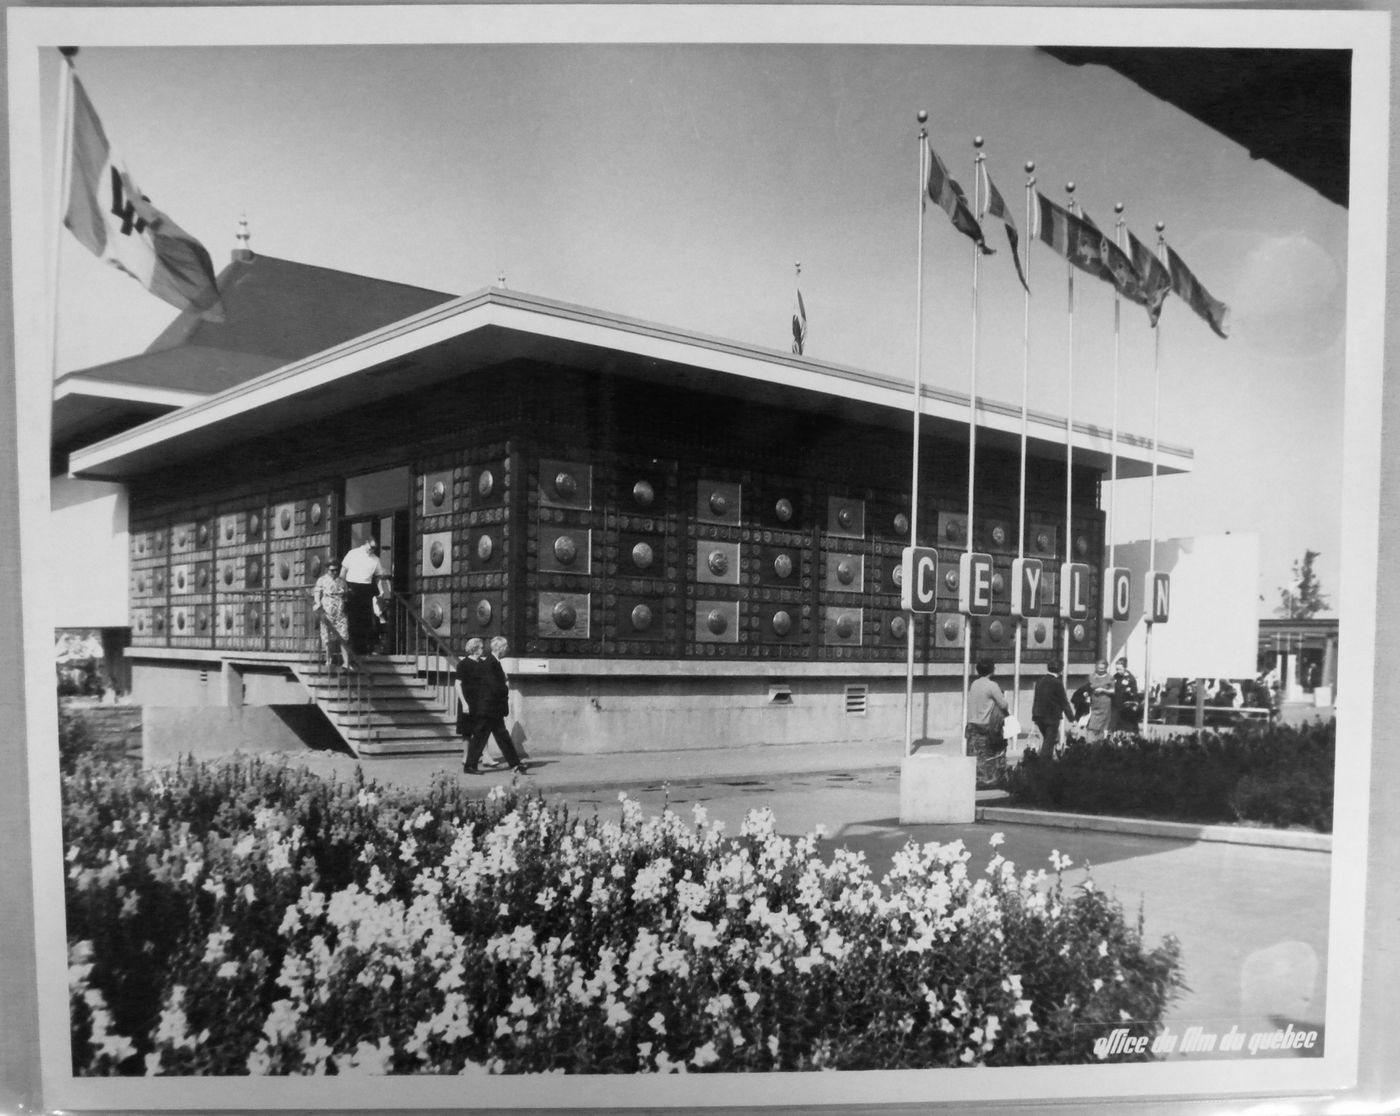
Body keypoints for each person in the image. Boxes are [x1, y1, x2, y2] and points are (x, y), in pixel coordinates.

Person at [462, 636, 527, 775]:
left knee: (501, 737)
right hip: (489, 708)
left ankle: (515, 764)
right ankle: (469, 766)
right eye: (505, 646)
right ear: (500, 648)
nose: (507, 649)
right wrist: (506, 686)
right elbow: (495, 687)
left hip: (492, 709)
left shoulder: (492, 662)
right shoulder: (491, 663)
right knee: (481, 737)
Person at [966, 659, 1010, 788]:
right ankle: (990, 780)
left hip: (973, 723)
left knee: (976, 754)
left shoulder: (974, 684)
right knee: (991, 753)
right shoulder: (992, 685)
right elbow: (1003, 704)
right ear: (991, 670)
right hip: (986, 725)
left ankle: (977, 779)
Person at [310, 561, 355, 671]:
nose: (334, 572)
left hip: (340, 612)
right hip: (328, 610)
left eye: (336, 570)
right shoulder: (322, 580)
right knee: (327, 637)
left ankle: (346, 663)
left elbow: (345, 595)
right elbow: (317, 593)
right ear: (327, 570)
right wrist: (318, 603)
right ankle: (329, 660)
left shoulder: (341, 581)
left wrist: (345, 600)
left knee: (344, 636)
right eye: (332, 570)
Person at [340, 538, 381, 656]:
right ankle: (353, 648)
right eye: (371, 547)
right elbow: (343, 572)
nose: (372, 550)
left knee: (365, 620)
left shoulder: (375, 560)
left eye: (374, 548)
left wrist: (381, 591)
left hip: (366, 589)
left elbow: (379, 577)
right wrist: (344, 588)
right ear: (366, 542)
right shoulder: (353, 553)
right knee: (353, 619)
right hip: (352, 587)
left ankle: (363, 648)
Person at [1031, 658, 1075, 754]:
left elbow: (1036, 699)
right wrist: (1072, 718)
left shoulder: (1040, 681)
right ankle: (1045, 763)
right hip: (1052, 717)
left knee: (1047, 739)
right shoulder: (1057, 683)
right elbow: (1064, 702)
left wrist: (1034, 716)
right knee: (1049, 742)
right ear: (1060, 670)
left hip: (1039, 716)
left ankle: (1047, 760)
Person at [1109, 655, 1142, 732]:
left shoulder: (1131, 679)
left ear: (1125, 668)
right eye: (1116, 669)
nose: (1118, 671)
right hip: (1115, 707)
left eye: (1120, 669)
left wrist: (1130, 693)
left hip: (1126, 709)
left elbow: (1135, 695)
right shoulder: (1115, 677)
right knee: (1112, 728)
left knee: (1128, 728)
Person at [1085, 659, 1114, 742]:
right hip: (1093, 704)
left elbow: (1113, 690)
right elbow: (1087, 687)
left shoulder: (1109, 678)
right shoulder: (1091, 676)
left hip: (1104, 704)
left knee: (1099, 726)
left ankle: (1097, 743)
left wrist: (1103, 690)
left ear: (1106, 668)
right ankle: (1092, 744)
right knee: (1091, 725)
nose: (1100, 670)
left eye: (1102, 669)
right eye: (1099, 668)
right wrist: (1086, 693)